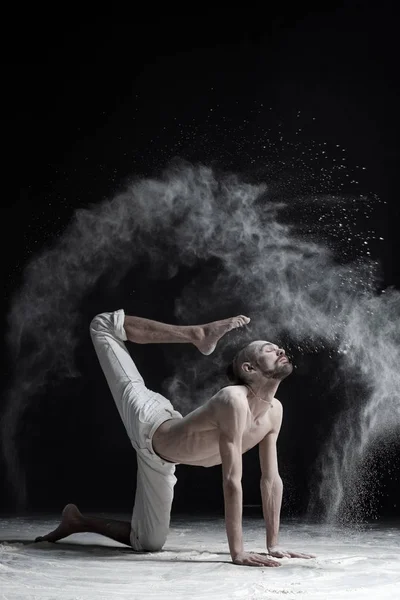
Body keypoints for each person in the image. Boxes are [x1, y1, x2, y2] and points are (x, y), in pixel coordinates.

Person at [35, 309, 314, 567]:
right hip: (149, 421)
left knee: (147, 543)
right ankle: (195, 334)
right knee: (103, 325)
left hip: (161, 461)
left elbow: (270, 479)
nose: (280, 349)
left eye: (277, 347)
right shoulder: (233, 400)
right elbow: (231, 480)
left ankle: (77, 521)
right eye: (269, 349)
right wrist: (237, 552)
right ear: (248, 369)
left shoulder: (275, 411)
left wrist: (273, 544)